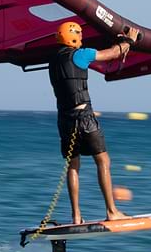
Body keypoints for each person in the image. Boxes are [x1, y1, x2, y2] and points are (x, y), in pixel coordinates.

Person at [48, 21, 139, 224]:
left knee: (73, 167)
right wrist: (128, 41)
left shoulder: (53, 61)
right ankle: (112, 211)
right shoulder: (81, 54)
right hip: (85, 118)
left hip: (64, 121)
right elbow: (112, 54)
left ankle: (76, 216)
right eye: (79, 34)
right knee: (103, 161)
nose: (81, 37)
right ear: (72, 36)